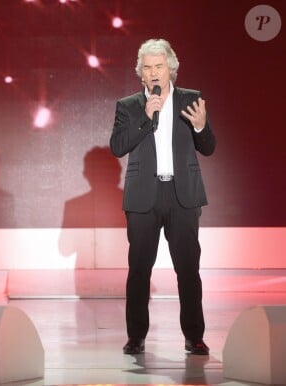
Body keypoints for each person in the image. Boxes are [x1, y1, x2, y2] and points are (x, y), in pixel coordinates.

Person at [109, 39, 216, 356]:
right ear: (140, 73)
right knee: (139, 269)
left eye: (159, 66)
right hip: (143, 197)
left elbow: (208, 147)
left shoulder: (190, 99)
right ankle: (136, 336)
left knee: (188, 269)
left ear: (171, 68)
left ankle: (194, 336)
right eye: (148, 67)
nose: (154, 72)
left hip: (183, 196)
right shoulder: (128, 106)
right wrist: (145, 116)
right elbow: (118, 147)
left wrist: (200, 128)